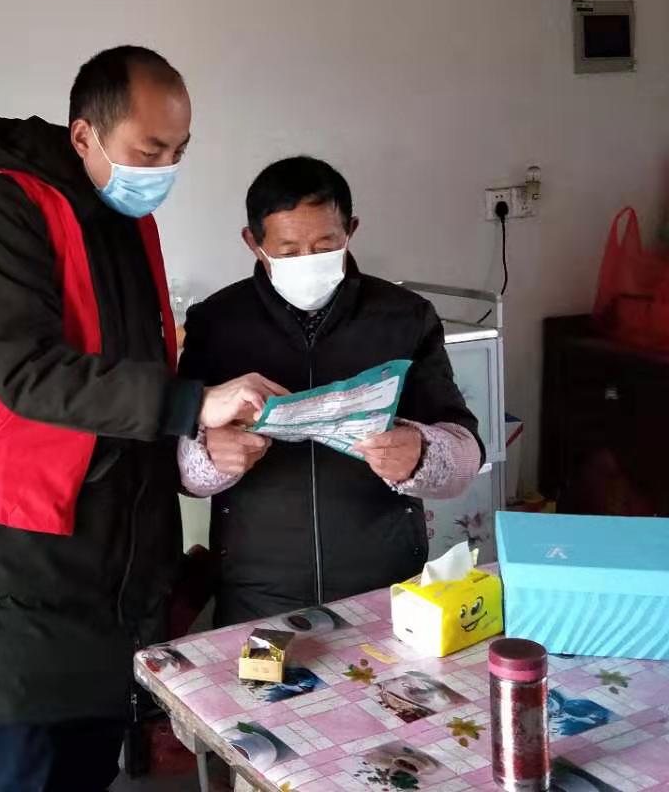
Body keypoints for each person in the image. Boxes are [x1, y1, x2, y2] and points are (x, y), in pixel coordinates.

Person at [0, 45, 285, 792]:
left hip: (110, 555)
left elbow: (129, 366)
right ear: (84, 135)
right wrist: (191, 403)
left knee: (86, 767)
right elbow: (26, 372)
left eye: (179, 152)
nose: (164, 169)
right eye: (150, 150)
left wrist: (199, 436)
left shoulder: (120, 215)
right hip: (12, 556)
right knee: (17, 769)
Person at [178, 156, 482, 625]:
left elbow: (467, 452)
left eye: (325, 247)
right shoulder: (217, 324)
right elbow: (177, 466)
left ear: (351, 231)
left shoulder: (404, 317)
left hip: (386, 582)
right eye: (288, 251)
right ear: (253, 242)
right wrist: (210, 457)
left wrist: (421, 453)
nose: (307, 262)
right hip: (255, 586)